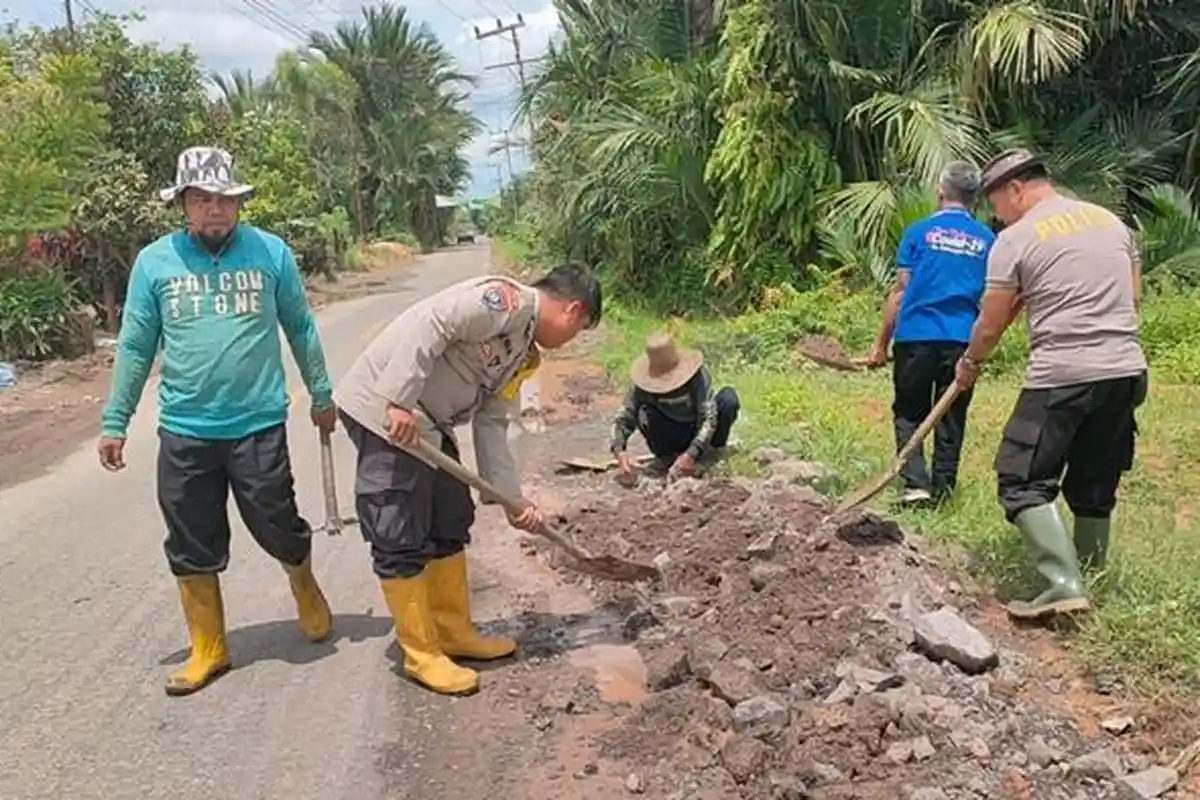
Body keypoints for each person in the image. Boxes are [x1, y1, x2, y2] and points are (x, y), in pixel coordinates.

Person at [97, 146, 338, 696]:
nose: (214, 209)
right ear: (182, 203)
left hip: (257, 423)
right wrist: (116, 420)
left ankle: (304, 583)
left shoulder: (270, 253)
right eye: (201, 199)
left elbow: (300, 326)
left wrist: (321, 393)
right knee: (189, 538)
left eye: (224, 199)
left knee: (277, 521)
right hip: (185, 428)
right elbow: (136, 345)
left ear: (238, 202)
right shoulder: (155, 263)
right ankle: (209, 646)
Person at [334, 264, 602, 696]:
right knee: (397, 528)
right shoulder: (504, 302)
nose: (571, 339)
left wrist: (513, 501)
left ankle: (453, 631)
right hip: (385, 411)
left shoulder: (524, 354)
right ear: (572, 310)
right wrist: (398, 399)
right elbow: (431, 324)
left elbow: (492, 422)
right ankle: (422, 655)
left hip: (429, 424)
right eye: (579, 329)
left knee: (450, 518)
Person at [954, 148, 1148, 621]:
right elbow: (1134, 294)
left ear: (1016, 190)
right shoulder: (1111, 223)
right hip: (1125, 368)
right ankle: (1089, 578)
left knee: (1020, 480)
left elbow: (991, 324)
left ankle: (1062, 584)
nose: (996, 215)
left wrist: (970, 363)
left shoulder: (1017, 239)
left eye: (996, 203)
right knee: (1095, 480)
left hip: (1062, 374)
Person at [867, 161, 996, 508]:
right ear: (975, 199)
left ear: (940, 193)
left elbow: (899, 294)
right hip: (961, 340)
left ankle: (915, 485)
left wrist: (881, 344)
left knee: (909, 411)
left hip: (916, 336)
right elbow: (992, 298)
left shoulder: (918, 233)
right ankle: (943, 488)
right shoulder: (987, 240)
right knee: (951, 415)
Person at [609, 332, 740, 480]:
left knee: (728, 398)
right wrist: (620, 451)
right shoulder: (643, 386)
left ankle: (711, 456)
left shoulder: (698, 377)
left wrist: (691, 453)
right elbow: (622, 418)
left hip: (700, 433)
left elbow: (708, 419)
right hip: (669, 436)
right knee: (645, 413)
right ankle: (668, 459)